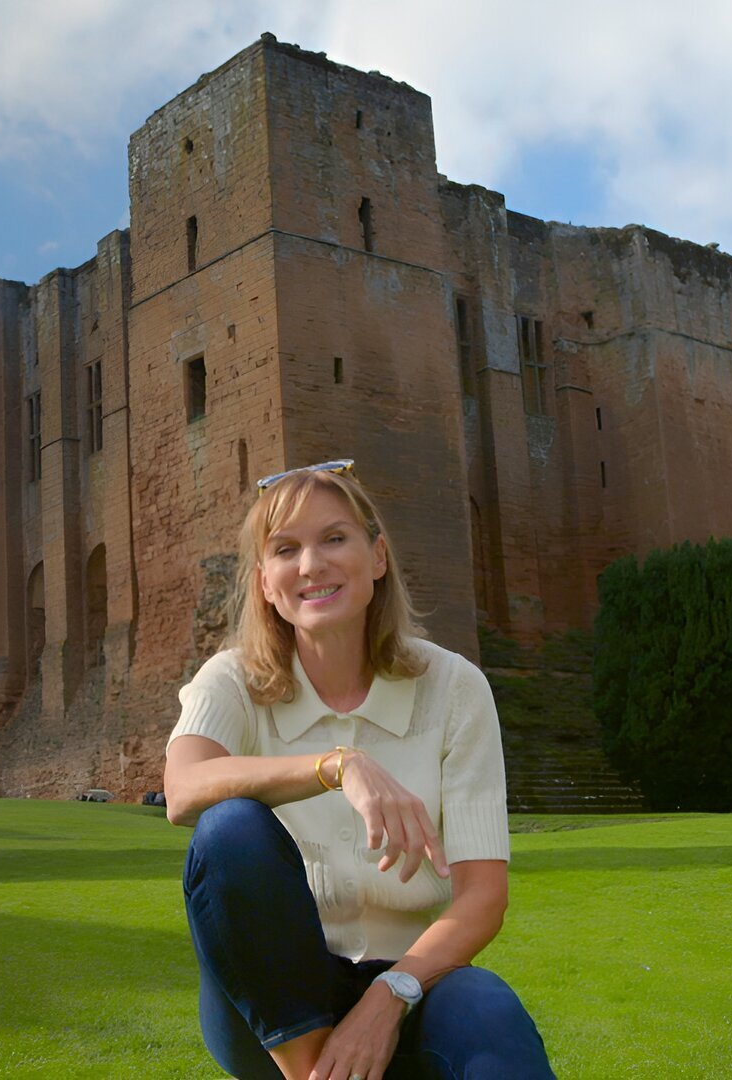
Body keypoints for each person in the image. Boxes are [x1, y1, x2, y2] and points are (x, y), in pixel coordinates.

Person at [165, 461, 555, 1080]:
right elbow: (183, 790)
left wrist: (387, 998)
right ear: (266, 583)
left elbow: (483, 896)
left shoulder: (454, 688)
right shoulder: (231, 680)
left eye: (334, 538)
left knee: (488, 1012)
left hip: (411, 979)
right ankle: (310, 1072)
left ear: (378, 557)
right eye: (286, 550)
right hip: (272, 1008)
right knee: (230, 828)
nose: (312, 565)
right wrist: (336, 766)